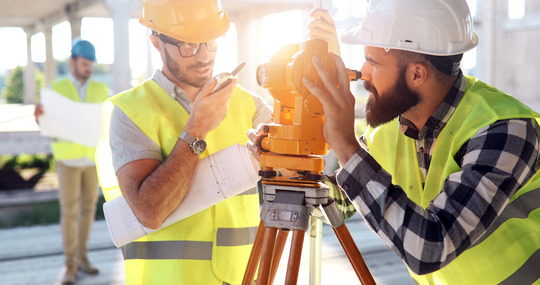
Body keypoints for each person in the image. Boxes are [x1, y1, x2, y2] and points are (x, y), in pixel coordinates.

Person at [279, 0, 540, 284]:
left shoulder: (505, 130)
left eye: (373, 62)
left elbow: (431, 247)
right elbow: (342, 202)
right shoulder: (390, 130)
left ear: (417, 73)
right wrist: (291, 166)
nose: (362, 73)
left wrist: (345, 144)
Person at [94, 0, 273, 284]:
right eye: (188, 45)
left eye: (210, 42)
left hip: (242, 277)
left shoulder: (249, 105)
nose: (203, 56)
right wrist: (196, 129)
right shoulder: (130, 112)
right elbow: (149, 212)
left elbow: (302, 158)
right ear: (156, 41)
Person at [34, 38, 109, 284]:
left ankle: (82, 258)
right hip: (67, 159)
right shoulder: (56, 88)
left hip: (91, 159)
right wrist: (39, 117)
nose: (88, 68)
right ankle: (69, 265)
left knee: (88, 211)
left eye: (91, 64)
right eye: (85, 63)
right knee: (70, 212)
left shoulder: (100, 90)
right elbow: (47, 122)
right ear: (73, 62)